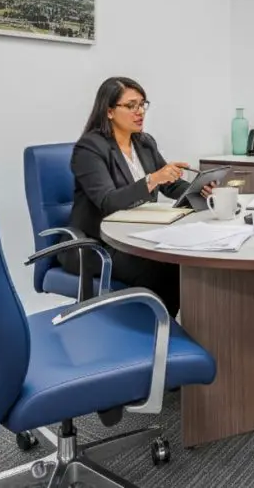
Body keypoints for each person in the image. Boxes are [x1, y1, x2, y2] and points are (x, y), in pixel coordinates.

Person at [62, 76, 212, 318]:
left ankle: (167, 329)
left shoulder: (144, 143)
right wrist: (152, 179)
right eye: (131, 106)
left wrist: (199, 188)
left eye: (142, 104)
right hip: (98, 245)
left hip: (139, 235)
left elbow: (169, 185)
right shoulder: (89, 149)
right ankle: (153, 332)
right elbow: (108, 202)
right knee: (163, 269)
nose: (139, 112)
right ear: (109, 111)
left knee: (185, 261)